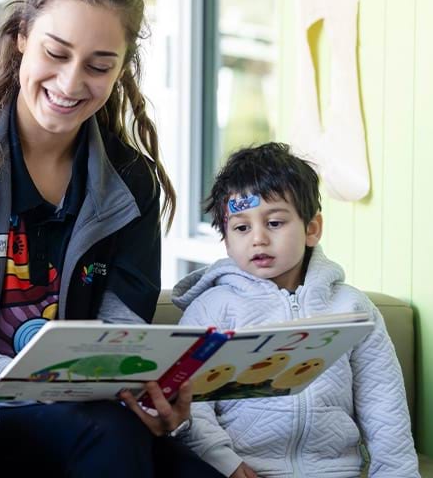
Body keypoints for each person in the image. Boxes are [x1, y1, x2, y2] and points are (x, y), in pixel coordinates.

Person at [0, 0, 222, 476]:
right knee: (108, 434)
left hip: (89, 415)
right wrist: (47, 388)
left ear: (122, 69)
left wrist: (149, 397)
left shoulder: (129, 181)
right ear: (22, 35)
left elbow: (120, 334)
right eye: (56, 53)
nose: (70, 84)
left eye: (98, 65)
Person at [172, 143, 419, 477]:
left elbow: (384, 405)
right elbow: (191, 404)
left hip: (335, 471)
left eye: (274, 223)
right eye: (241, 228)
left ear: (312, 229)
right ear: (226, 241)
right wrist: (224, 462)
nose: (257, 238)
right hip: (239, 470)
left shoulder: (353, 308)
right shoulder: (211, 309)